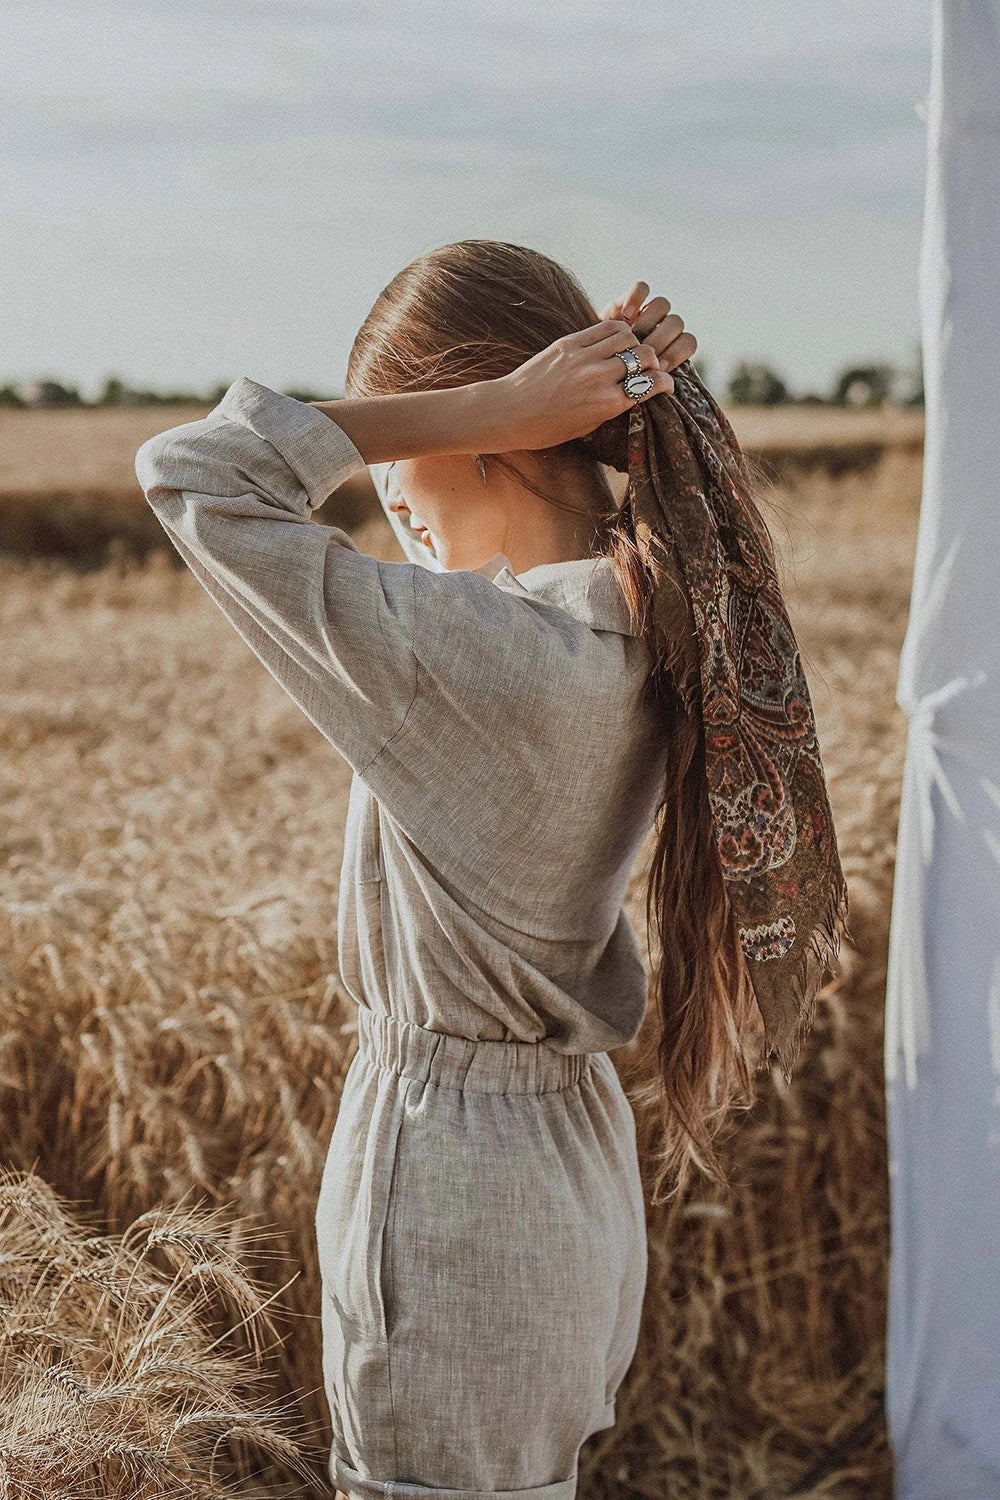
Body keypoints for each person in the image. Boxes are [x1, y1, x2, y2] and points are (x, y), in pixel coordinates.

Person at [134, 239, 847, 1500]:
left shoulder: (484, 655)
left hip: (453, 1193)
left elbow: (192, 476)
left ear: (501, 419)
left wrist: (490, 404)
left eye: (409, 426)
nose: (381, 486)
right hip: (566, 1172)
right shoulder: (642, 620)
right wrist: (504, 409)